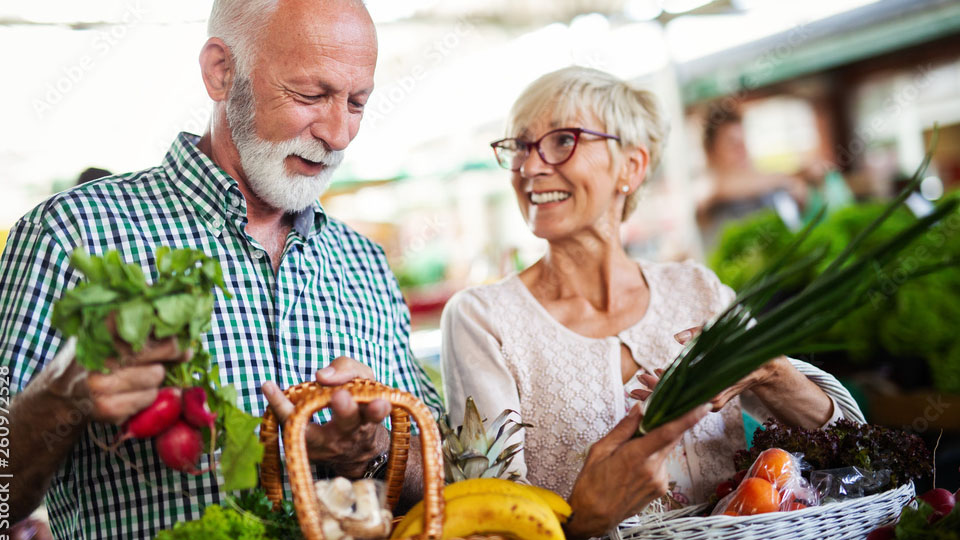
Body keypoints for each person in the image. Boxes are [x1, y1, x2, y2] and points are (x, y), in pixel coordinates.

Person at [2, 1, 442, 537]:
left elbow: (440, 469)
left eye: (357, 102)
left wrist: (376, 450)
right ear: (220, 71)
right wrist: (59, 397)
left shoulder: (364, 262)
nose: (339, 133)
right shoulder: (72, 234)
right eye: (310, 95)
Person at [441, 66, 865, 535]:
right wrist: (586, 520)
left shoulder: (697, 290)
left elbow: (852, 447)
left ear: (632, 166)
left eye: (563, 140)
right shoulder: (483, 319)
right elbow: (487, 522)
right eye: (520, 146)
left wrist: (767, 370)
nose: (531, 166)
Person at [696, 104, 809, 249]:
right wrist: (788, 180)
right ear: (710, 152)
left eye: (744, 141)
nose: (742, 150)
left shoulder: (762, 186)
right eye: (732, 143)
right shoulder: (707, 188)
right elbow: (719, 187)